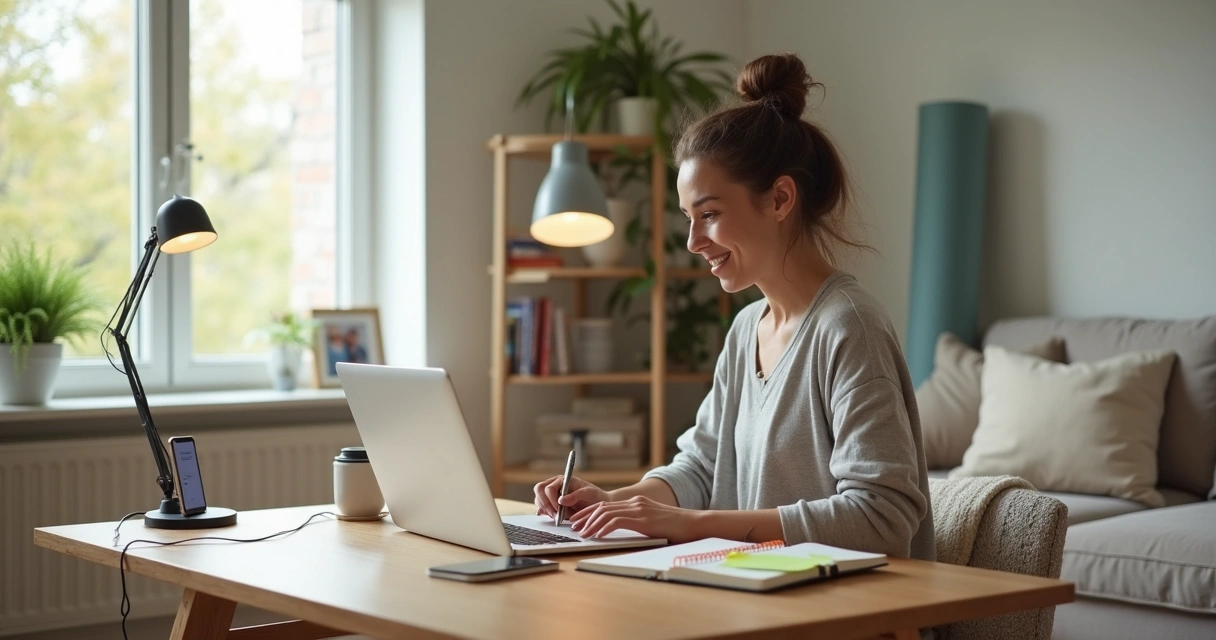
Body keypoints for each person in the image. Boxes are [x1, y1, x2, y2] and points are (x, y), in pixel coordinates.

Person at [535, 53, 934, 560]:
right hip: (756, 596)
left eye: (710, 214)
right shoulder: (747, 330)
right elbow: (701, 467)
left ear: (780, 200)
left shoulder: (848, 328)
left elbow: (882, 516)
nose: (694, 241)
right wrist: (612, 503)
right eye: (688, 218)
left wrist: (692, 525)